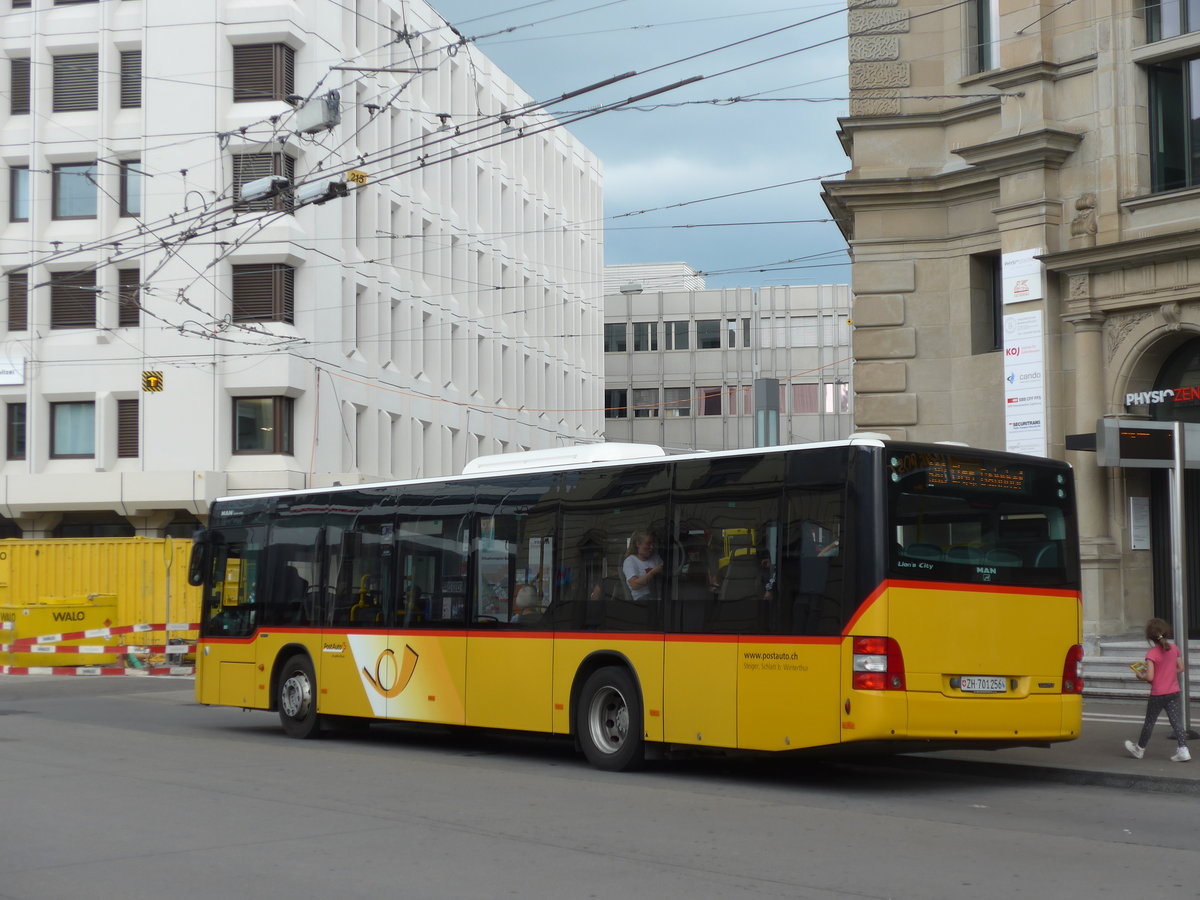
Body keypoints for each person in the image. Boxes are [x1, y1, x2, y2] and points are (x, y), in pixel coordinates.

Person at [1124, 617, 1191, 762]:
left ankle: (1139, 749)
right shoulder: (1174, 649)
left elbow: (1150, 676)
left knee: (1150, 722)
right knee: (1176, 722)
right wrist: (1167, 672)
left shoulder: (1152, 654)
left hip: (1158, 694)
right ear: (1166, 632)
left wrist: (1140, 676)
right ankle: (1183, 749)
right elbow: (1181, 667)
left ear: (1150, 637)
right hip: (1173, 691)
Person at [623, 531, 663, 602]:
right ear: (638, 544)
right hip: (642, 597)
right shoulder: (630, 561)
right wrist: (652, 573)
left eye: (653, 543)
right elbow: (634, 585)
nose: (652, 547)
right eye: (648, 544)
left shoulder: (655, 558)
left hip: (660, 594)